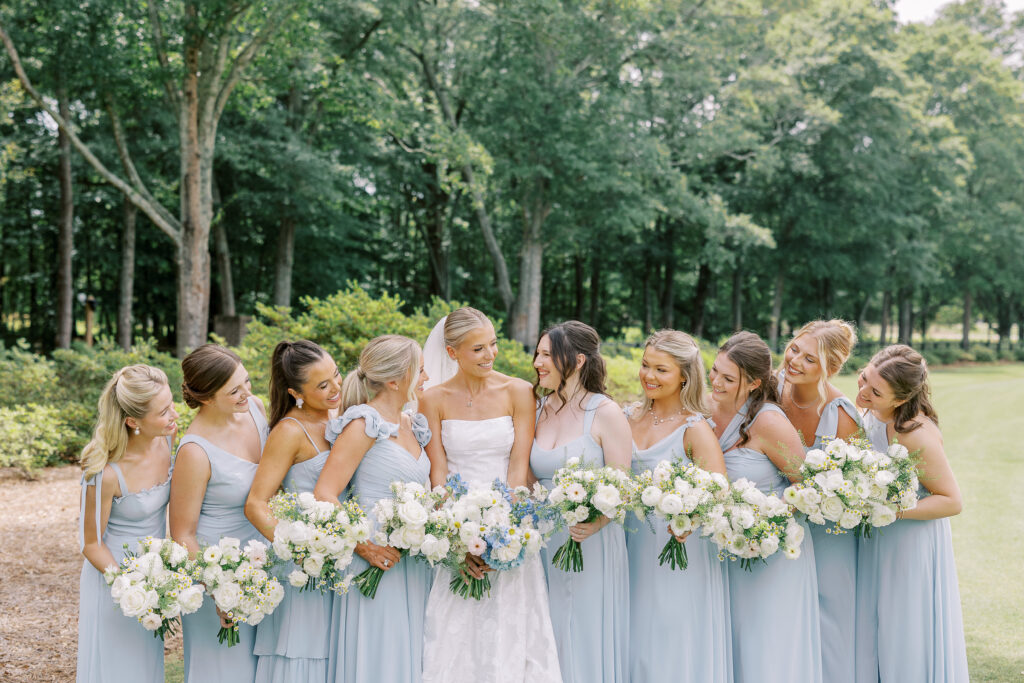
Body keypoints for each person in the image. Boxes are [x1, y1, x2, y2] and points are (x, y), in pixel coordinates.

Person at [419, 308, 561, 683]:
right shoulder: (432, 399)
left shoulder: (518, 391)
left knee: (511, 630)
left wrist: (506, 534)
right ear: (452, 353)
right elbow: (438, 474)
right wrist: (457, 540)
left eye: (493, 344)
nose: (490, 354)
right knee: (453, 634)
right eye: (478, 348)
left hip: (509, 522)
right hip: (455, 522)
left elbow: (518, 470)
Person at [314, 335, 433, 683]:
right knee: (379, 656)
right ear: (396, 380)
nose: (426, 378)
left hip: (413, 559)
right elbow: (326, 492)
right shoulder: (364, 424)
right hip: (374, 560)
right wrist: (362, 545)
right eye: (421, 371)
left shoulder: (413, 423)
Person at [710, 331, 822, 683]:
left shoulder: (770, 422)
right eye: (714, 371)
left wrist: (764, 522)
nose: (716, 382)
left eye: (728, 379)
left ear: (755, 383)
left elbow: (807, 489)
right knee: (730, 643)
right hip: (722, 550)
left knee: (765, 649)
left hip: (771, 553)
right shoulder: (705, 410)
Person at [854, 345, 968, 682]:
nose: (863, 392)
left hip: (910, 544)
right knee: (875, 624)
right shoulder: (871, 413)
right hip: (878, 540)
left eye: (875, 391)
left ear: (900, 399)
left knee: (903, 627)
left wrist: (887, 510)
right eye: (864, 378)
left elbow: (951, 500)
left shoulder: (915, 434)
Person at [626, 330, 732, 682]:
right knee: (634, 638)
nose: (648, 376)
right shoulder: (626, 417)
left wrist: (688, 521)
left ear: (684, 376)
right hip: (629, 546)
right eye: (645, 365)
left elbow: (718, 493)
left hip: (676, 549)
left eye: (661, 370)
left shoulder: (695, 429)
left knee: (670, 636)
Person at [530, 320, 631, 683]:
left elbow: (624, 487)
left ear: (576, 361)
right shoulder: (537, 409)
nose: (538, 362)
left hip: (588, 541)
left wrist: (594, 523)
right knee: (544, 632)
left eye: (547, 355)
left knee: (581, 631)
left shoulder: (605, 413)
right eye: (537, 353)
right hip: (539, 542)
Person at [170, 344, 268, 683]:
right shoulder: (195, 451)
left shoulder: (255, 409)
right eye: (234, 390)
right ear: (207, 398)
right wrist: (220, 589)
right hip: (219, 572)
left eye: (246, 382)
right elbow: (182, 535)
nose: (247, 393)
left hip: (267, 565)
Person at [245, 340, 342, 683]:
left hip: (343, 558)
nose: (336, 388)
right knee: (304, 653)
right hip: (305, 562)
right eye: (323, 385)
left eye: (336, 375)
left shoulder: (342, 416)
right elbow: (256, 503)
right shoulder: (289, 431)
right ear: (295, 392)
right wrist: (300, 551)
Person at [77, 365, 178, 683]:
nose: (174, 414)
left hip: (154, 580)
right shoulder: (104, 472)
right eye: (164, 411)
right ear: (133, 421)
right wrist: (129, 588)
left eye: (171, 403)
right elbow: (90, 544)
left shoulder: (167, 439)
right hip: (115, 582)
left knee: (145, 668)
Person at [777, 320, 861, 683]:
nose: (794, 361)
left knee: (830, 612)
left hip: (829, 529)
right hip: (776, 521)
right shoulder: (771, 388)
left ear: (831, 368)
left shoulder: (841, 415)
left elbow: (856, 486)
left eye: (809, 359)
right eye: (794, 348)